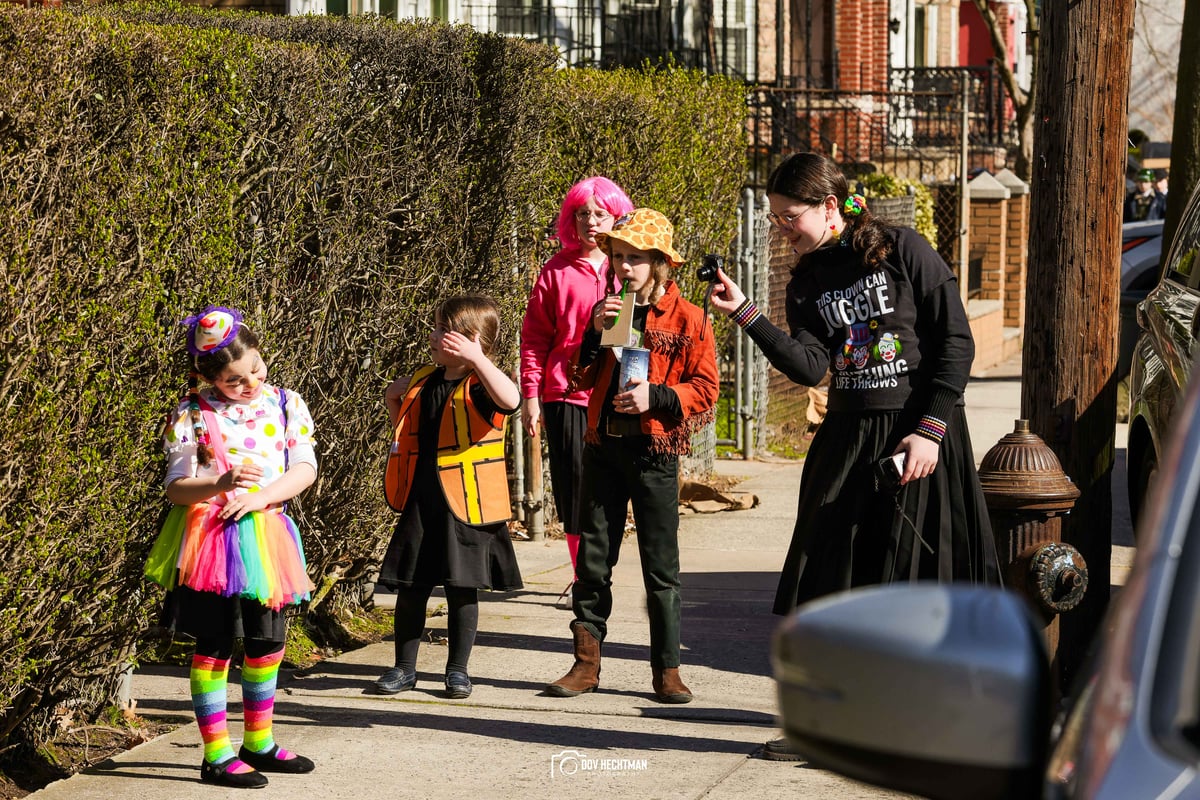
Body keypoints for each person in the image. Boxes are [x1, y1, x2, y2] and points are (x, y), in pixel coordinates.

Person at [708, 153, 1001, 758]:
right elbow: (811, 366)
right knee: (831, 574)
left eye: (790, 217)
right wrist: (745, 313)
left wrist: (931, 428)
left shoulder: (904, 248)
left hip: (917, 434)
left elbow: (955, 342)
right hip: (846, 437)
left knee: (914, 577)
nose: (781, 228)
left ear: (828, 205)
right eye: (775, 218)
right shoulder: (808, 280)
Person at [545, 208, 719, 704]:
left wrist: (657, 397)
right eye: (618, 257)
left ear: (660, 262)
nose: (623, 267)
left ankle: (667, 671)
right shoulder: (612, 309)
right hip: (603, 448)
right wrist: (591, 336)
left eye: (635, 259)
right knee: (593, 564)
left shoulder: (690, 318)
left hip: (654, 454)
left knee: (660, 568)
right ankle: (585, 665)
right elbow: (578, 379)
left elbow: (706, 389)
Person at [144, 305, 318, 789]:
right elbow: (177, 488)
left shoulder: (286, 403)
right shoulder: (192, 413)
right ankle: (215, 754)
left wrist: (263, 496)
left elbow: (304, 467)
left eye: (256, 368)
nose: (250, 383)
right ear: (210, 378)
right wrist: (217, 482)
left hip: (268, 538)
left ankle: (257, 741)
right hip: (211, 542)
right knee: (215, 646)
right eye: (234, 379)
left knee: (268, 644)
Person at [375, 295, 523, 700]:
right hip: (424, 499)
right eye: (436, 327)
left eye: (444, 329)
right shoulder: (424, 380)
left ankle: (457, 671)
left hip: (468, 505)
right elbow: (410, 436)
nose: (434, 336)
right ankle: (403, 668)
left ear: (470, 339)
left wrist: (478, 360)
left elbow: (511, 401)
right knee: (411, 586)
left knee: (462, 590)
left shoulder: (483, 383)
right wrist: (394, 402)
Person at [520, 177, 635, 579]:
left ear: (617, 217)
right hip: (565, 393)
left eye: (600, 214)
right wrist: (531, 397)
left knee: (614, 488)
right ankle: (581, 576)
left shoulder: (631, 266)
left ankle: (602, 565)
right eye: (582, 213)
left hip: (620, 393)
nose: (590, 221)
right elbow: (534, 337)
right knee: (574, 488)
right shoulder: (555, 270)